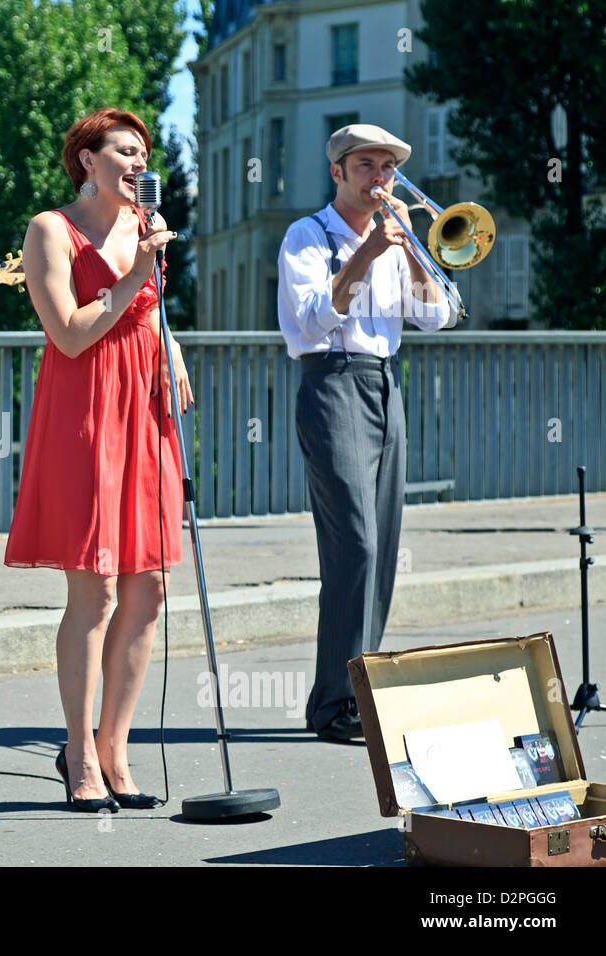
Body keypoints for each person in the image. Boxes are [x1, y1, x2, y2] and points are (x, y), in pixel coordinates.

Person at [4, 108, 192, 811]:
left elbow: (148, 311)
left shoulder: (144, 230)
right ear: (86, 159)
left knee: (149, 586)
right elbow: (71, 334)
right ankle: (78, 753)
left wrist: (173, 353)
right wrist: (136, 270)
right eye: (123, 151)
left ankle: (115, 749)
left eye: (144, 152)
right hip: (85, 412)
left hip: (143, 408)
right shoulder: (50, 229)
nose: (139, 162)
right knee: (97, 590)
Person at [276, 124, 455, 742]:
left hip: (384, 382)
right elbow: (304, 327)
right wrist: (366, 254)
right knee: (355, 542)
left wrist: (405, 248)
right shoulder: (308, 235)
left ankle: (356, 693)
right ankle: (333, 703)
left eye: (387, 168)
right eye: (365, 166)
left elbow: (436, 316)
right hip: (330, 381)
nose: (378, 178)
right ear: (338, 172)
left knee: (381, 545)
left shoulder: (395, 237)